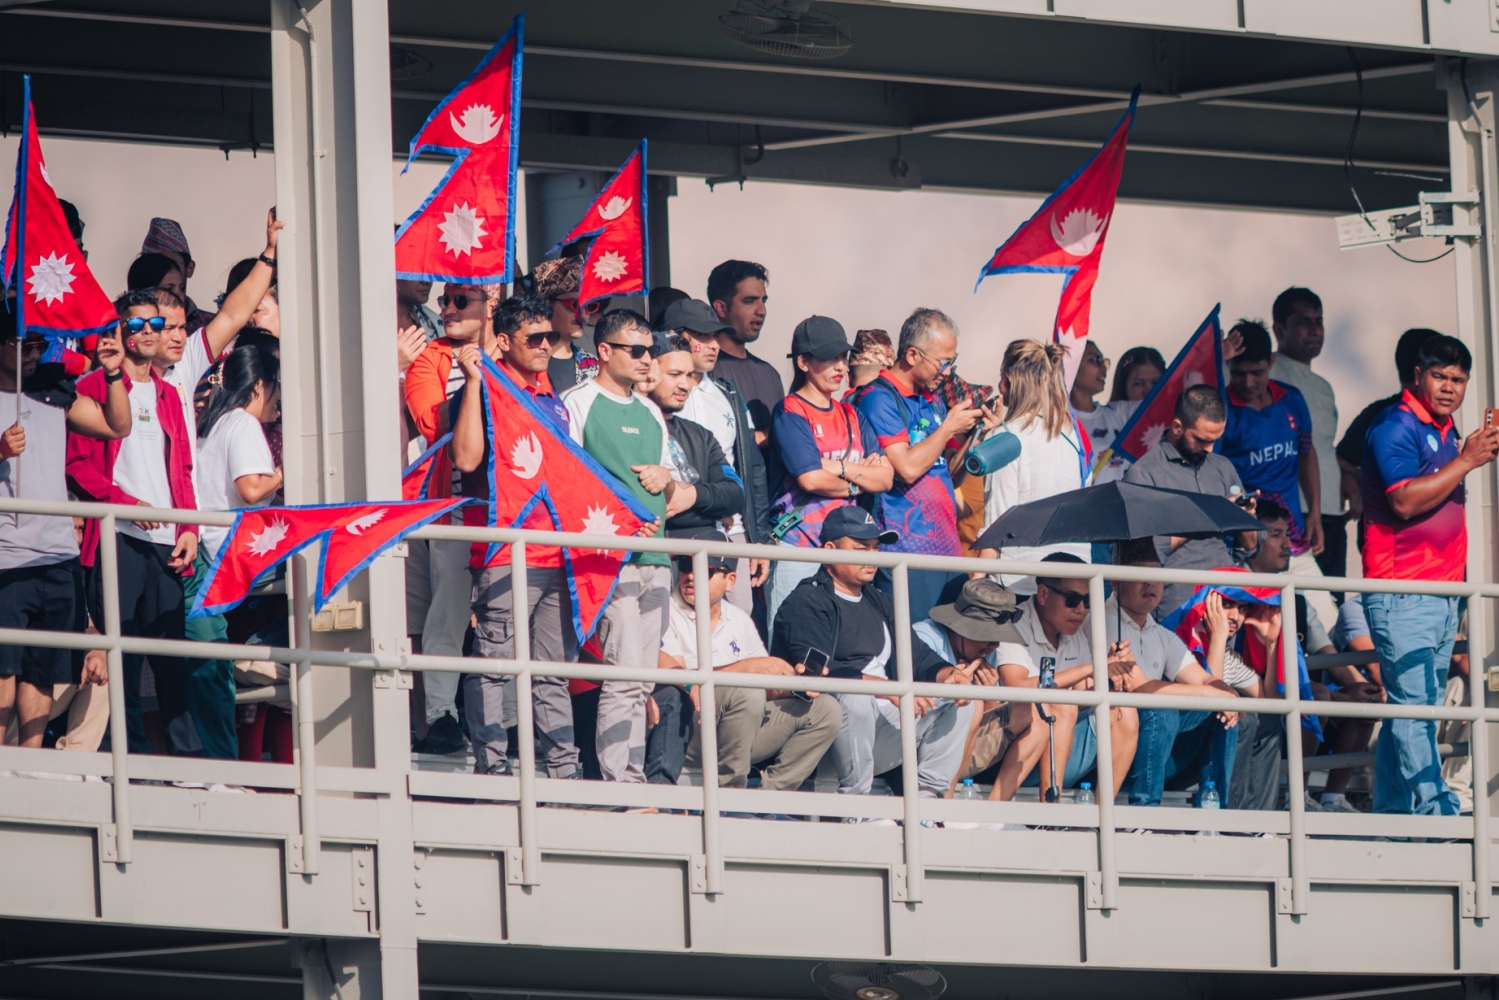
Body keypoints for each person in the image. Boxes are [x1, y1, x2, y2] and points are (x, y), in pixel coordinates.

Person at [1360, 333, 1496, 815]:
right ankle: (1438, 810)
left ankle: (1392, 822)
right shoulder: (1394, 425)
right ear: (1416, 375)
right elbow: (1402, 500)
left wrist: (1463, 455)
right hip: (1403, 592)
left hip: (1439, 593)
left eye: (1459, 379)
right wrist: (1466, 460)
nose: (1449, 387)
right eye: (1439, 376)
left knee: (1414, 709)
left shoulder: (1443, 427)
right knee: (1414, 709)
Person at [450, 294, 582, 778]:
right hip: (505, 552)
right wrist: (471, 384)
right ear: (503, 342)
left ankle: (564, 770)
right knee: (493, 666)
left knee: (551, 673)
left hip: (556, 555)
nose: (547, 345)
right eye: (535, 338)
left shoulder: (553, 396)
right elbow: (464, 461)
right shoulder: (484, 389)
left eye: (551, 336)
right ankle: (493, 767)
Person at [66, 291, 201, 755]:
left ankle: (189, 763)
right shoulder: (91, 387)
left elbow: (183, 468)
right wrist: (123, 504)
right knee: (117, 660)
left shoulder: (169, 392)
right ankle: (130, 758)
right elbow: (78, 465)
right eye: (137, 323)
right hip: (117, 537)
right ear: (120, 331)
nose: (149, 331)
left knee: (171, 658)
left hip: (166, 540)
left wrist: (189, 528)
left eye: (157, 324)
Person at [771, 507, 981, 802]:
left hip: (882, 729)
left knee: (962, 700)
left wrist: (948, 674)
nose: (872, 556)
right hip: (823, 739)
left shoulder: (879, 599)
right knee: (855, 696)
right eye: (861, 548)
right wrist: (885, 689)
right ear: (830, 550)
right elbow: (816, 673)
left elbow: (917, 655)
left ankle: (927, 801)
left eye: (875, 547)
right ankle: (856, 807)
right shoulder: (806, 601)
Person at [0, 310, 129, 750]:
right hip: (5, 556)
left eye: (39, 346)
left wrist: (113, 374)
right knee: (3, 666)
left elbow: (117, 426)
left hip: (57, 555)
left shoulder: (55, 390)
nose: (34, 355)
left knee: (44, 669)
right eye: (24, 346)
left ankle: (31, 763)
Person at [562, 309, 670, 784]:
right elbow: (567, 481)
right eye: (637, 350)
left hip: (657, 557)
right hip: (610, 558)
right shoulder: (577, 403)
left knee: (642, 681)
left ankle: (632, 775)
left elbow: (668, 483)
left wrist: (667, 478)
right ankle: (618, 783)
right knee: (623, 676)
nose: (648, 359)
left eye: (651, 351)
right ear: (604, 351)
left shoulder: (650, 410)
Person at [646, 532, 840, 790]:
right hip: (683, 729)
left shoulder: (739, 618)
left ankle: (766, 802)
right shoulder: (664, 610)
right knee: (748, 692)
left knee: (827, 709)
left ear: (730, 581)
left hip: (737, 729)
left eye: (706, 569)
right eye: (684, 565)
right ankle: (731, 796)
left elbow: (766, 688)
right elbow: (674, 676)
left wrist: (794, 684)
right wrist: (747, 669)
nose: (690, 575)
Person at [403, 282, 497, 755]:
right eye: (445, 300)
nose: (448, 309)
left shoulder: (518, 350)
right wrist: (477, 380)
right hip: (457, 510)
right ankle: (440, 714)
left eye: (462, 301)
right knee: (449, 614)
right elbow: (429, 422)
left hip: (511, 512)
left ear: (492, 305)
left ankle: (512, 723)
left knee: (508, 620)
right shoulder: (432, 358)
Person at [852, 308, 986, 621]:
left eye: (953, 360)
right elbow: (907, 469)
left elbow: (948, 476)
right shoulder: (877, 397)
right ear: (912, 355)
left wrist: (978, 433)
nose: (949, 371)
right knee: (913, 655)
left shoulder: (932, 400)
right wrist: (948, 428)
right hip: (906, 553)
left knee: (945, 658)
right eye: (943, 361)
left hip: (947, 551)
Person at [1245, 500, 1378, 813]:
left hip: (1296, 693)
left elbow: (1326, 652)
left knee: (1365, 699)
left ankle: (1332, 799)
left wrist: (1359, 686)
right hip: (1255, 695)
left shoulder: (1298, 598)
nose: (1287, 543)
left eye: (1286, 534)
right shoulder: (1236, 590)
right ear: (1253, 541)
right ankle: (1297, 797)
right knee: (1317, 695)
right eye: (1276, 534)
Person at [765, 316, 893, 627]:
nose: (840, 367)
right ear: (803, 362)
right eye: (829, 358)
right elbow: (810, 479)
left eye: (843, 358)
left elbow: (885, 478)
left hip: (845, 553)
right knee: (791, 641)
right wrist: (858, 481)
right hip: (799, 546)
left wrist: (838, 468)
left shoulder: (852, 413)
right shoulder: (790, 410)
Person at [191, 343, 283, 759]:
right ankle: (261, 653)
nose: (279, 403)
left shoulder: (213, 423)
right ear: (260, 385)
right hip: (235, 552)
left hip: (209, 550)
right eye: (277, 390)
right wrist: (285, 470)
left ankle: (260, 655)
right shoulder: (245, 425)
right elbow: (251, 489)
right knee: (327, 577)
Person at [1218, 319, 1336, 628]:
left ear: (1271, 362)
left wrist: (1315, 513)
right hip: (1249, 549)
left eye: (1256, 372)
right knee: (1265, 633)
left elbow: (1306, 453)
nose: (1247, 382)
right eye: (1238, 373)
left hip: (1294, 537)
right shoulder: (1222, 410)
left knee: (1328, 624)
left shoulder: (1292, 398)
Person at [993, 554, 1139, 800]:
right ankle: (1051, 810)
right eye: (1072, 599)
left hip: (1056, 745)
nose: (1081, 610)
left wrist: (1108, 671)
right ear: (1042, 594)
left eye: (1087, 600)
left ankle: (1103, 816)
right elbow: (1015, 686)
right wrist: (1093, 667)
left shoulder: (1074, 631)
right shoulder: (1014, 622)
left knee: (1123, 710)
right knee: (1062, 705)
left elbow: (1082, 693)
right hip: (1009, 752)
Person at [1110, 541, 1240, 808]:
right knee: (1162, 711)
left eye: (1156, 577)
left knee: (1223, 715)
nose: (1151, 585)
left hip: (1147, 749)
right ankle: (1144, 812)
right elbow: (1141, 688)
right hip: (1107, 749)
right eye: (1141, 577)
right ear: (1115, 583)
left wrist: (1227, 694)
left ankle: (1214, 811)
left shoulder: (1160, 634)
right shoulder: (1101, 621)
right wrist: (1212, 693)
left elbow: (1203, 678)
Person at [664, 298, 770, 611]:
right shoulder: (654, 395)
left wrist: (758, 539)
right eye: (702, 336)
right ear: (675, 336)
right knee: (676, 625)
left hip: (732, 529)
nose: (713, 345)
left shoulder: (729, 394)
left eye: (716, 337)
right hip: (676, 529)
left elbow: (753, 469)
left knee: (739, 617)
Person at [1123, 384, 1260, 619]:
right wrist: (1212, 514)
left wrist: (1245, 516)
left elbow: (1249, 548)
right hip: (1179, 601)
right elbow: (1145, 553)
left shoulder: (1223, 466)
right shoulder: (1144, 473)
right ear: (1177, 427)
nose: (1210, 448)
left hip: (1228, 597)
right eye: (1202, 439)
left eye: (1216, 439)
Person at [918, 579, 1045, 804]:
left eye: (998, 637)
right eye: (987, 635)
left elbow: (986, 721)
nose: (994, 645)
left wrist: (989, 698)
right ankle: (942, 807)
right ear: (961, 627)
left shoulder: (986, 651)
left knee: (1035, 714)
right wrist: (955, 686)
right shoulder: (925, 637)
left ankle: (994, 813)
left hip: (961, 748)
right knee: (971, 705)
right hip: (916, 742)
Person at [977, 339, 1088, 595]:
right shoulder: (1075, 438)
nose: (999, 387)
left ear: (1013, 381)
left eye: (1002, 379)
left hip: (1021, 584)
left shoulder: (1007, 439)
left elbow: (997, 524)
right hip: (1076, 583)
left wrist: (975, 583)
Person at [1334, 328, 1439, 554]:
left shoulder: (1442, 421)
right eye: (1441, 368)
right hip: (1393, 553)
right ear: (1421, 371)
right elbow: (1338, 458)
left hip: (1438, 555)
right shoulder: (1383, 417)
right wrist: (1355, 484)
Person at [1268, 287, 1345, 581]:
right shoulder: (1265, 373)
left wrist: (1349, 477)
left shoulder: (1324, 387)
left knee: (1334, 613)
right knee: (1295, 611)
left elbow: (1324, 448)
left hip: (1331, 514)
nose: (1314, 329)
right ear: (1279, 328)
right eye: (1303, 321)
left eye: (1319, 321)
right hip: (1291, 513)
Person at [646, 332, 746, 538]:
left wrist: (693, 495)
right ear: (648, 372)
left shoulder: (700, 435)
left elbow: (736, 494)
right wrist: (712, 511)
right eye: (674, 374)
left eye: (689, 375)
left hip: (704, 558)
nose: (685, 385)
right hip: (652, 554)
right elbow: (653, 507)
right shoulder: (628, 426)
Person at [707, 260, 782, 449]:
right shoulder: (704, 371)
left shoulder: (769, 374)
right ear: (721, 308)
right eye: (749, 301)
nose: (761, 311)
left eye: (763, 301)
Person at [532, 256, 600, 389]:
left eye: (589, 306)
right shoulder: (526, 359)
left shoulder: (593, 366)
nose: (583, 314)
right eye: (574, 305)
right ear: (547, 304)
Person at [141, 217, 214, 330]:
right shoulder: (117, 324)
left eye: (172, 264)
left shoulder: (210, 326)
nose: (164, 271)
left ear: (189, 268)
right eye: (154, 266)